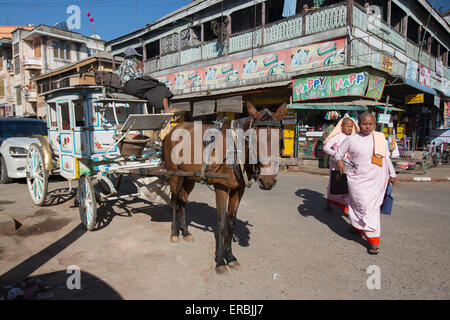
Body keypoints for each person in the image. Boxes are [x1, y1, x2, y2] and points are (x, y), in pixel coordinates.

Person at [336, 112, 396, 255]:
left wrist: (392, 173)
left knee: (371, 210)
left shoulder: (380, 138)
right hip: (357, 180)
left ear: (374, 125)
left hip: (377, 179)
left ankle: (374, 242)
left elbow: (386, 157)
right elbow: (338, 152)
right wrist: (339, 160)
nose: (367, 127)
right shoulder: (351, 139)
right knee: (359, 206)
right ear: (359, 123)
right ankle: (356, 227)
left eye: (370, 124)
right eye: (364, 124)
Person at [115, 47, 173, 113]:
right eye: (136, 57)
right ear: (133, 56)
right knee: (159, 85)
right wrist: (140, 67)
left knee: (151, 91)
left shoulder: (121, 65)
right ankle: (166, 109)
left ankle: (165, 108)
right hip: (132, 84)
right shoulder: (131, 62)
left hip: (126, 89)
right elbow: (139, 76)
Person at [323, 117, 359, 213]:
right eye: (347, 126)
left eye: (351, 127)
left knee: (348, 185)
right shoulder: (338, 137)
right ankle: (329, 202)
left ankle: (347, 207)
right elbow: (326, 147)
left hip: (349, 166)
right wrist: (337, 155)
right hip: (336, 165)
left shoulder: (354, 138)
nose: (349, 129)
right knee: (334, 184)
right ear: (342, 127)